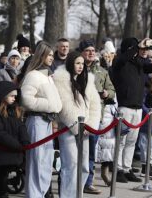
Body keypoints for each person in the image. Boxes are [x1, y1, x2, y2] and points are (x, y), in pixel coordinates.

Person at [112, 37, 152, 183]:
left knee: (131, 141)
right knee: (121, 141)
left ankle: (126, 168)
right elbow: (122, 59)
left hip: (136, 109)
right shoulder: (120, 62)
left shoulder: (140, 64)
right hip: (124, 107)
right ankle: (117, 169)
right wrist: (137, 47)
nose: (142, 50)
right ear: (130, 49)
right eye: (137, 48)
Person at [53, 51, 101, 198]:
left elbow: (95, 105)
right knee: (71, 165)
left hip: (85, 129)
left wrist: (90, 125)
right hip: (67, 128)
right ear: (70, 64)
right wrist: (78, 127)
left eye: (82, 63)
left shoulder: (87, 80)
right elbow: (65, 107)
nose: (80, 66)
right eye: (77, 63)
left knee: (84, 166)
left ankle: (77, 195)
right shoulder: (61, 79)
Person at [20, 42, 62, 198]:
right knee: (36, 163)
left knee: (45, 163)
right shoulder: (33, 75)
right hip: (36, 122)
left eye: (52, 55)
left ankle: (41, 194)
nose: (51, 58)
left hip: (47, 122)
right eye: (48, 54)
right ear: (41, 55)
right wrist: (49, 105)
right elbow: (26, 100)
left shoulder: (48, 76)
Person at [79, 39, 114, 193]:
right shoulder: (76, 68)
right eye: (88, 50)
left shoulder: (102, 71)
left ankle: (88, 183)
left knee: (91, 153)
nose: (91, 53)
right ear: (81, 53)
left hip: (95, 117)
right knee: (74, 152)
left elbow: (111, 89)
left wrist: (107, 93)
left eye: (93, 50)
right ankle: (72, 181)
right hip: (78, 116)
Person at [0, 81, 30, 198]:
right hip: (2, 150)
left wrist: (25, 141)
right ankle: (1, 194)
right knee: (3, 173)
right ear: (3, 95)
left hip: (15, 148)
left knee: (26, 167)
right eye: (11, 96)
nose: (14, 98)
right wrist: (16, 145)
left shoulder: (14, 111)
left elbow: (21, 127)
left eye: (15, 96)